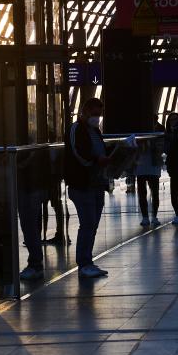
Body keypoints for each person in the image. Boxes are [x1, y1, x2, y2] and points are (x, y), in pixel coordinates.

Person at [64, 98, 111, 279]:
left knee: (92, 223)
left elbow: (99, 151)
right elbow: (78, 153)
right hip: (82, 184)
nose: (97, 118)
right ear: (85, 111)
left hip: (96, 183)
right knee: (88, 223)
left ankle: (87, 261)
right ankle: (84, 263)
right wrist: (95, 161)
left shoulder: (95, 130)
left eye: (99, 115)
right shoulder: (76, 129)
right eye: (94, 114)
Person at [16, 147, 49, 281]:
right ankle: (35, 263)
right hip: (34, 186)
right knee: (32, 226)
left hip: (28, 187)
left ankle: (35, 264)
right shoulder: (37, 147)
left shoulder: (27, 150)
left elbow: (22, 164)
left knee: (29, 226)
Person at [163, 112, 178, 225]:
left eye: (175, 119)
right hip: (175, 165)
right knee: (174, 192)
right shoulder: (168, 135)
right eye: (171, 120)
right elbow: (166, 149)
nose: (173, 122)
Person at [135, 136, 162, 226]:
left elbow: (161, 148)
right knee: (143, 193)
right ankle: (146, 217)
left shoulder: (158, 131)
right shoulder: (139, 133)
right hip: (142, 166)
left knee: (154, 193)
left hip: (151, 166)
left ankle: (153, 216)